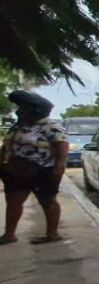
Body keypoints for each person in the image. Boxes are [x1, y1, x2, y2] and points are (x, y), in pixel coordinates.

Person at [1, 91, 69, 245]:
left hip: (42, 171)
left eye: (22, 108)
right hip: (16, 172)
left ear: (34, 110)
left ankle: (52, 234)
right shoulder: (18, 126)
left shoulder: (51, 126)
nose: (18, 111)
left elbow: (61, 148)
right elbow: (6, 145)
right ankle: (9, 235)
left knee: (48, 201)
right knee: (13, 201)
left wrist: (58, 170)